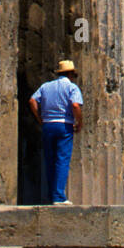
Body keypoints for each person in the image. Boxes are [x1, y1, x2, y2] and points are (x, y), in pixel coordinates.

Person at [29, 60, 83, 205]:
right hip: (64, 125)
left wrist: (40, 118)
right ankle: (59, 197)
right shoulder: (72, 87)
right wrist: (79, 122)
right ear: (70, 73)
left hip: (48, 125)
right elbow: (76, 105)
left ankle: (51, 194)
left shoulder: (46, 86)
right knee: (62, 160)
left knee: (50, 160)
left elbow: (32, 101)